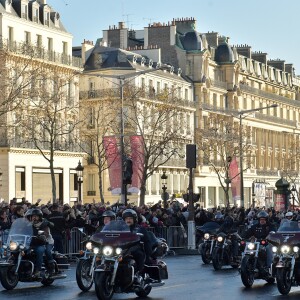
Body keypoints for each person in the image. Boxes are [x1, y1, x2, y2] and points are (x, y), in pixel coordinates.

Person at [122, 209, 152, 285]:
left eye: (130, 218)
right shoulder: (121, 229)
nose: (128, 220)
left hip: (136, 248)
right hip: (122, 249)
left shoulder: (140, 228)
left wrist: (148, 255)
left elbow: (147, 241)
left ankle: (138, 274)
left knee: (139, 254)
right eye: (126, 219)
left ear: (134, 219)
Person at [27, 208, 55, 277]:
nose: (34, 218)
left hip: (45, 242)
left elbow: (46, 233)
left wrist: (42, 236)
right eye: (33, 216)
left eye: (36, 216)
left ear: (39, 217)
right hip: (33, 243)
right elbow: (23, 231)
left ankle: (38, 270)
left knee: (40, 250)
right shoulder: (29, 225)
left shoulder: (44, 224)